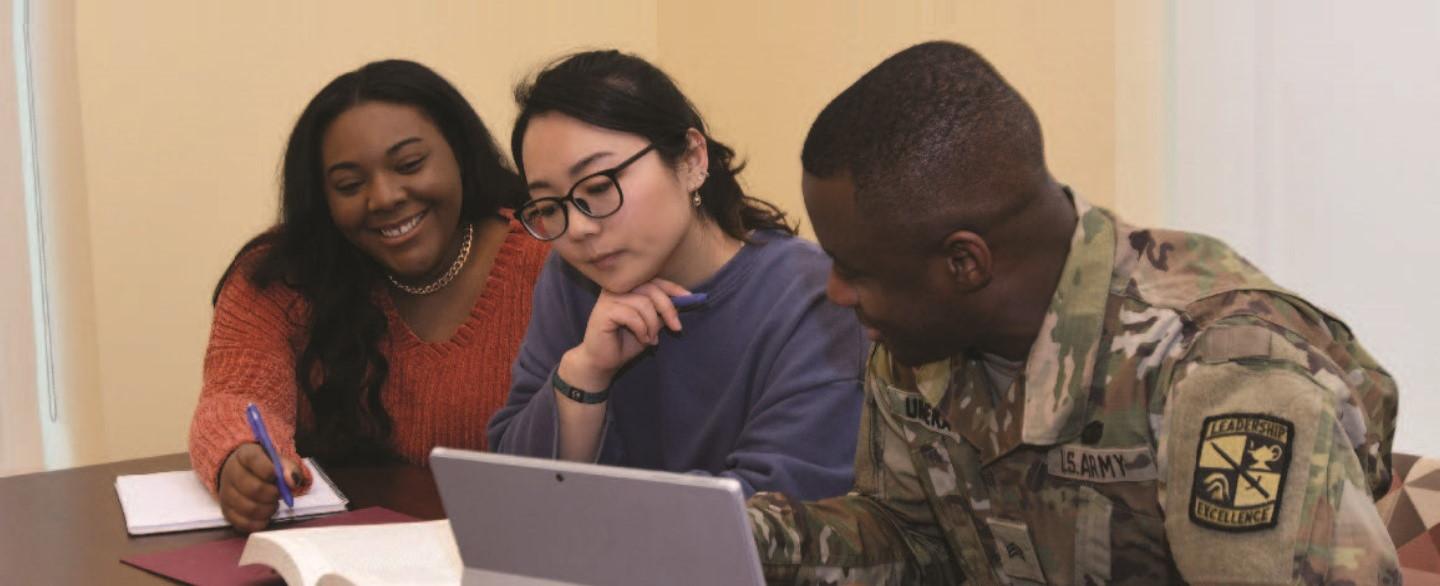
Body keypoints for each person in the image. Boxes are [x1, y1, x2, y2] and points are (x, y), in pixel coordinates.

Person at [748, 41, 1400, 584]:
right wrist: (737, 541)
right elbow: (910, 541)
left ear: (963, 264)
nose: (835, 291)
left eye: (856, 271)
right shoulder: (917, 342)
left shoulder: (1221, 368)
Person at [486, 50, 865, 500]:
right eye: (550, 207)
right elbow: (511, 494)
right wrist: (585, 371)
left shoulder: (812, 295)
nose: (580, 228)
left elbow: (777, 515)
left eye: (599, 186)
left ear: (691, 159)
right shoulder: (571, 279)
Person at [189, 60, 549, 533]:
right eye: (349, 185)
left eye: (409, 165)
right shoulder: (285, 278)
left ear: (459, 153)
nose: (383, 197)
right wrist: (243, 454)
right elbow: (237, 393)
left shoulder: (551, 258)